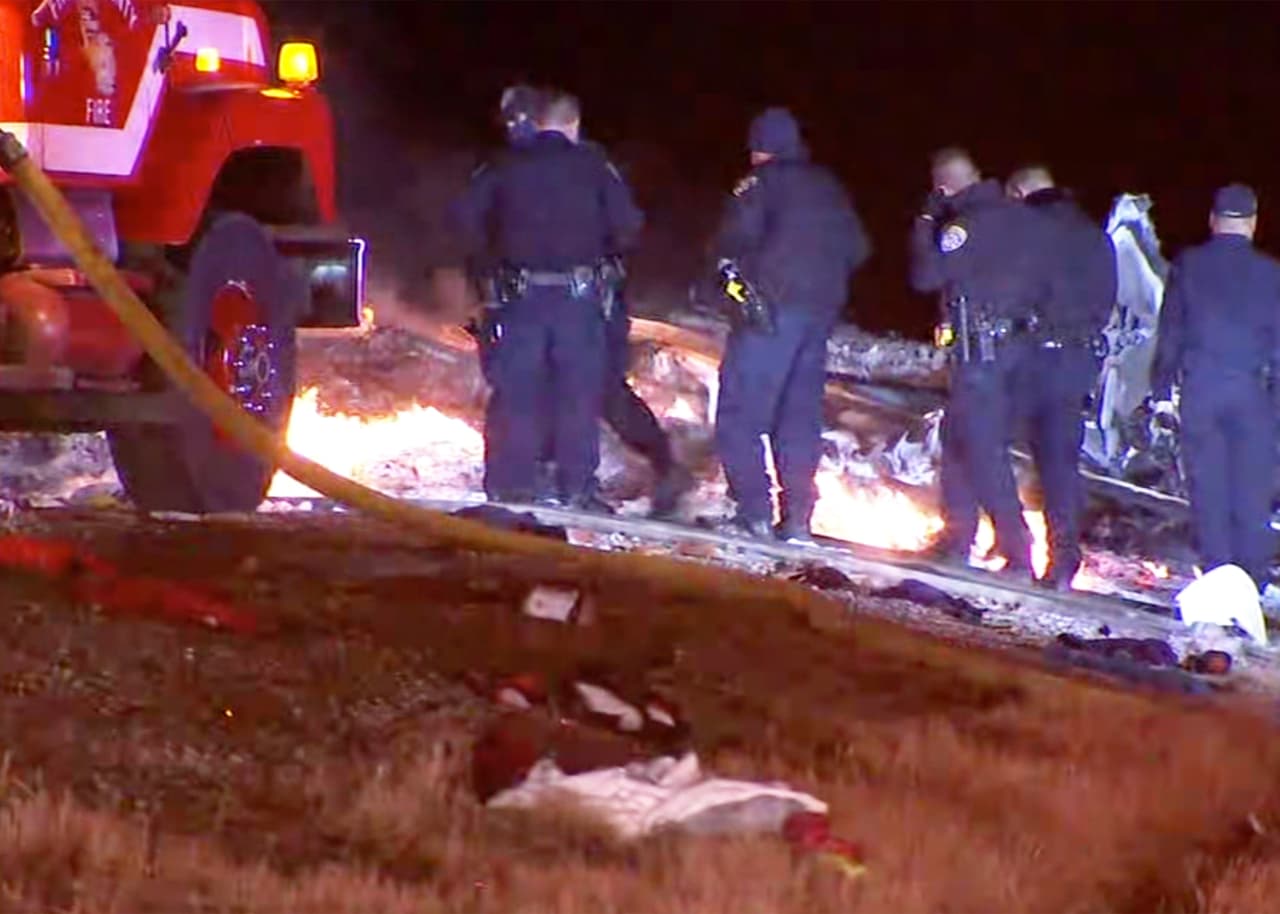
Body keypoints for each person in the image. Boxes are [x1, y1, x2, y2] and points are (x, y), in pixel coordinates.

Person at [452, 91, 645, 506]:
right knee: (578, 392)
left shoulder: (504, 163)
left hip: (519, 299)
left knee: (516, 392)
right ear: (573, 125)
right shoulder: (594, 164)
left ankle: (510, 485)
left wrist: (492, 264)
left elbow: (466, 221)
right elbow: (629, 226)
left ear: (536, 123)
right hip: (579, 301)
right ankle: (576, 489)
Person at [712, 107, 870, 542]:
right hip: (819, 318)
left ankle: (753, 510)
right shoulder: (829, 187)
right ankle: (798, 518)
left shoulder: (761, 184)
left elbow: (732, 239)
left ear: (761, 149)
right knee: (798, 418)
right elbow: (858, 249)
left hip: (770, 313)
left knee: (741, 411)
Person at [910, 148, 1048, 578]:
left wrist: (926, 222)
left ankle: (1015, 549)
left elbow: (926, 276)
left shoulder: (967, 224)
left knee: (980, 450)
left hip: (982, 352)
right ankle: (959, 539)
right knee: (962, 441)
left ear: (943, 188)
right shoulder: (1024, 220)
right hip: (1019, 351)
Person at [1150, 183, 1280, 590]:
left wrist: (1160, 393)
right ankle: (1252, 584)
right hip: (1253, 390)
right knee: (1252, 489)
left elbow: (1170, 333)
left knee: (1208, 487)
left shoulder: (1189, 265)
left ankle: (1218, 578)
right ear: (1254, 224)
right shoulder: (1271, 273)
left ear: (1212, 221)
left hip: (1202, 387)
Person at [1006, 165, 1118, 589]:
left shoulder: (1027, 227)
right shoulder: (1096, 236)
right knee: (1060, 464)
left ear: (1019, 192)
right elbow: (1108, 300)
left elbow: (1013, 291)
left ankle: (1012, 544)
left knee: (980, 442)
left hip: (1033, 355)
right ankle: (1064, 557)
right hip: (1079, 361)